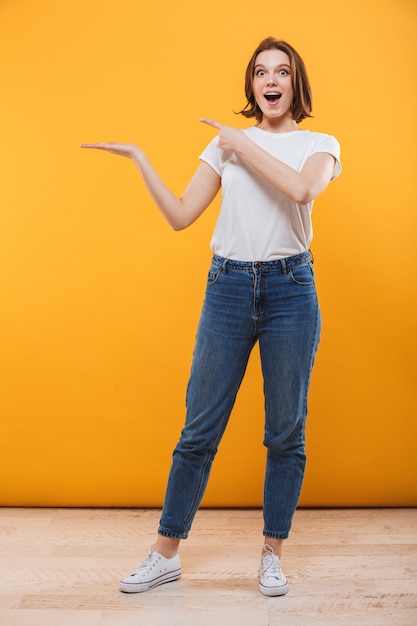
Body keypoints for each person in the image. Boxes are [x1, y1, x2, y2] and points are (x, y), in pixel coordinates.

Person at [82, 36, 341, 597]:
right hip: (227, 287)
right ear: (251, 85)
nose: (271, 81)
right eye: (260, 72)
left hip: (291, 290)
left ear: (295, 84)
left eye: (282, 72)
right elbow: (180, 216)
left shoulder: (320, 144)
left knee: (285, 431)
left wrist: (241, 146)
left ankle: (272, 553)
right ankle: (164, 554)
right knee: (198, 429)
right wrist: (141, 159)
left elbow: (301, 189)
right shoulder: (224, 146)